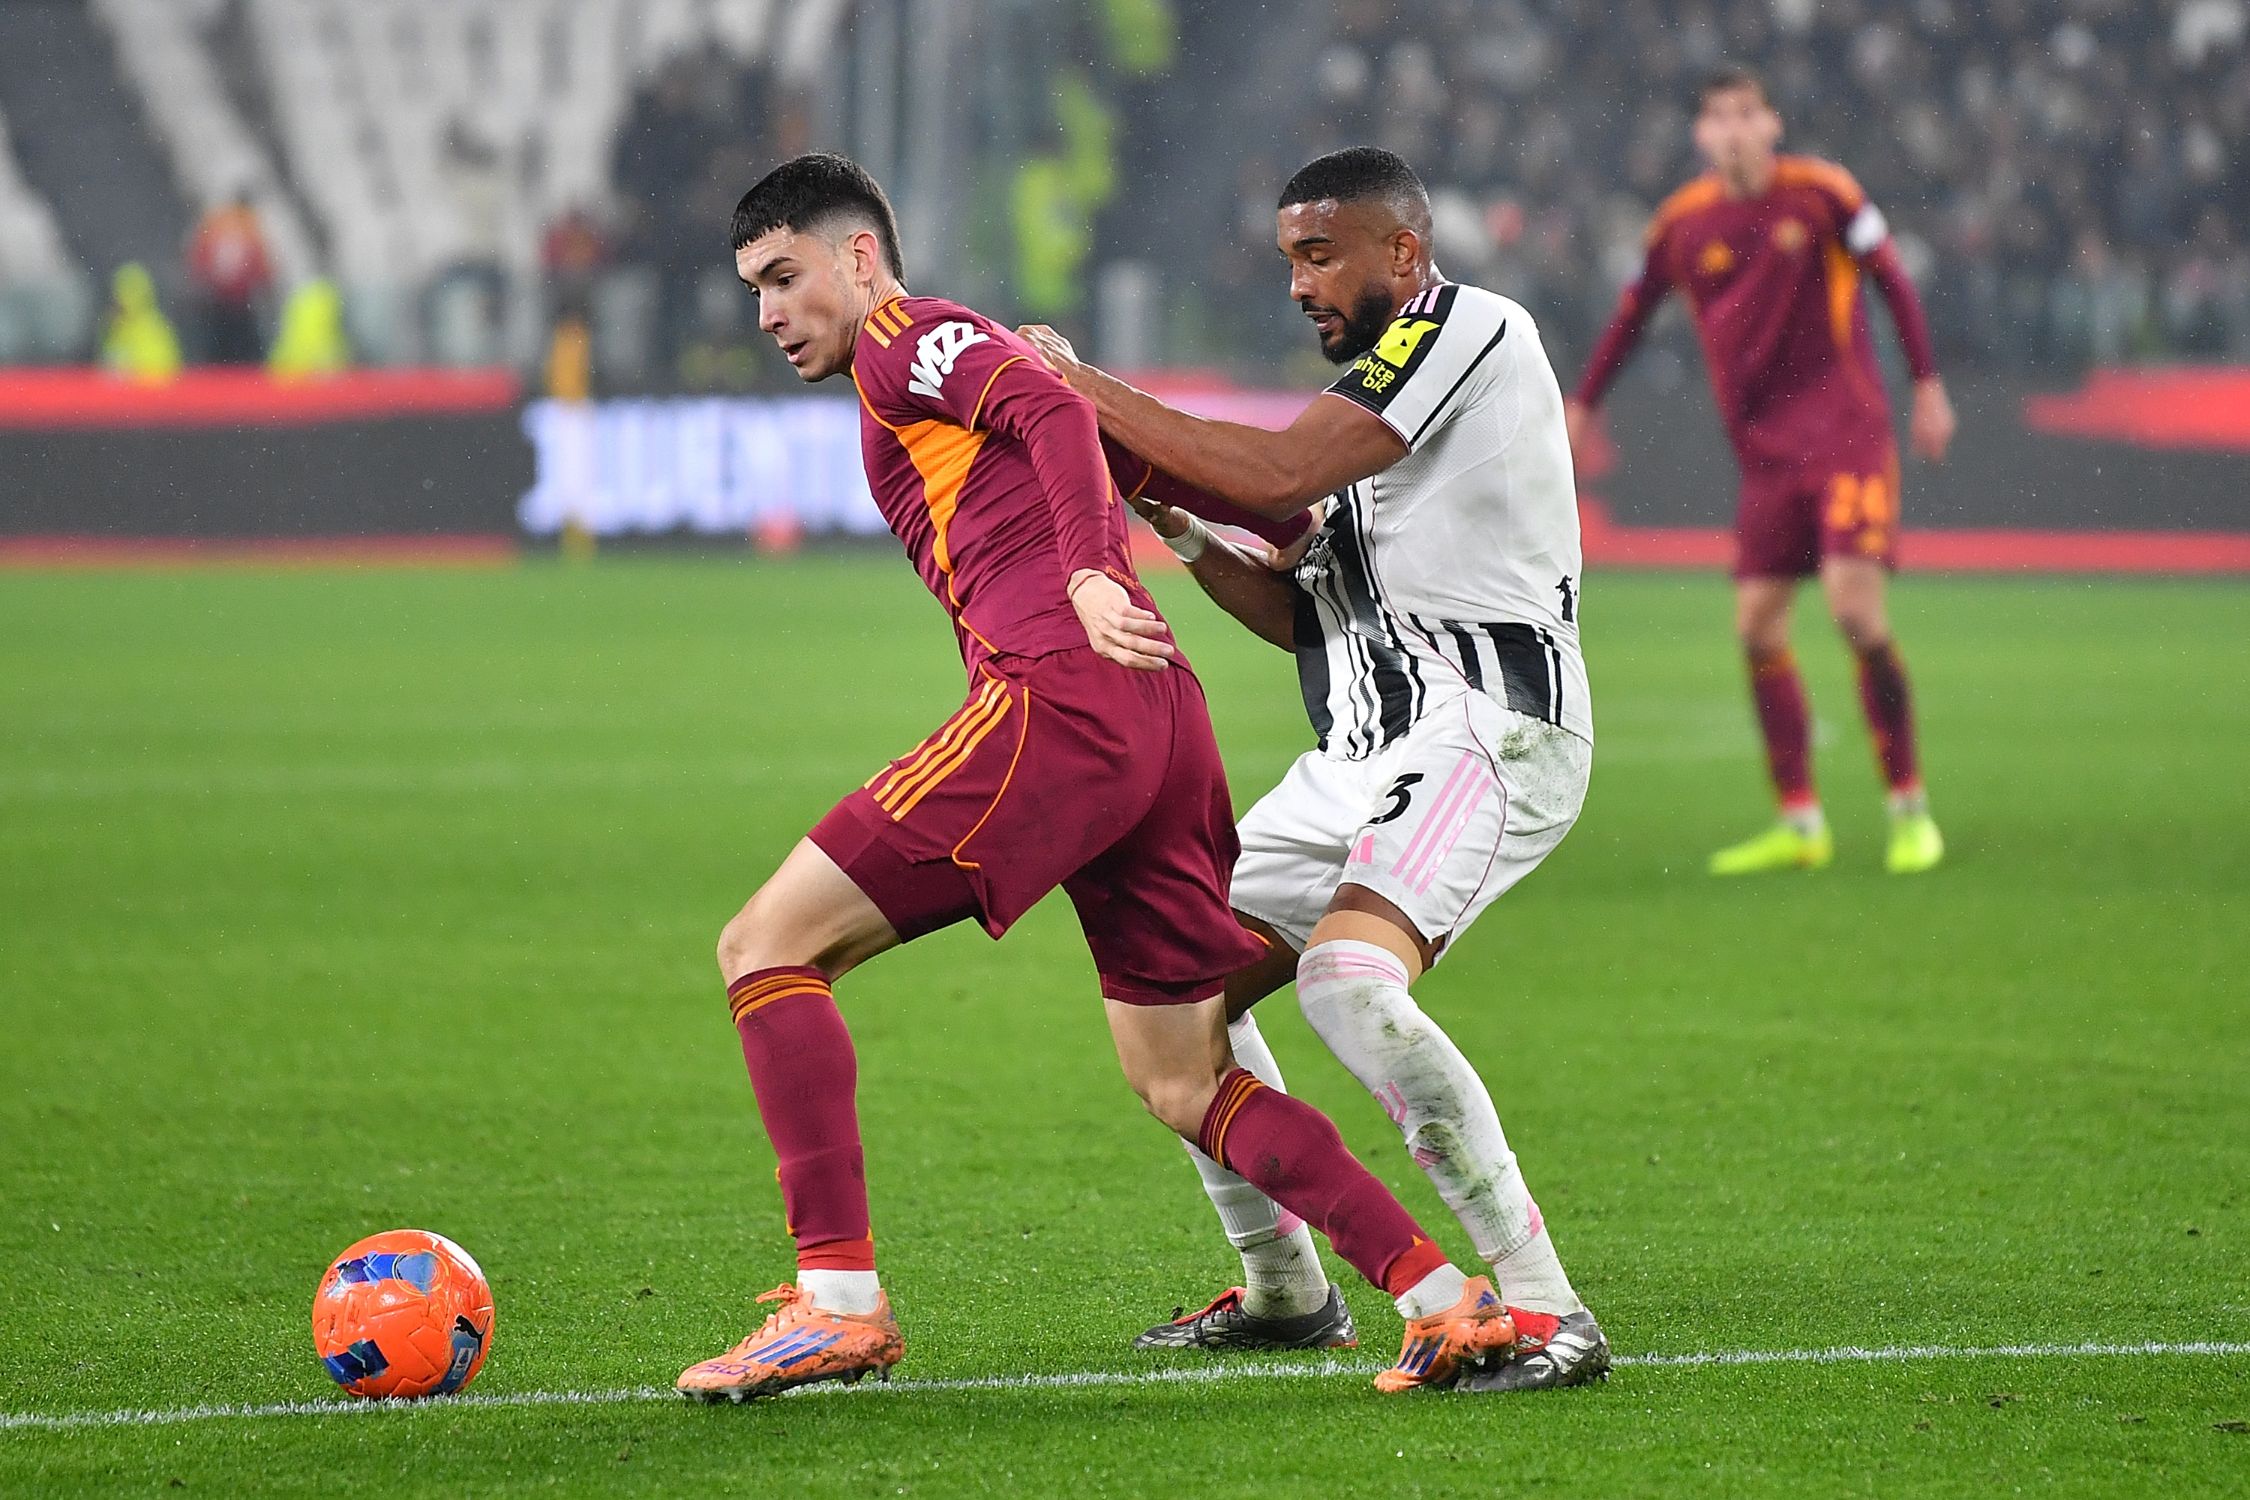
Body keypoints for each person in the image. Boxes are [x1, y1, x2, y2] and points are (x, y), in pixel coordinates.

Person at [675, 152, 1521, 1403]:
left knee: (766, 949)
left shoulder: (905, 339)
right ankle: (1441, 1298)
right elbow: (1094, 437)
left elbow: (1059, 415)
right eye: (754, 288)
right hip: (1154, 710)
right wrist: (1237, 532)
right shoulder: (924, 366)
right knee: (1182, 1073)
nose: (768, 312)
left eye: (784, 276)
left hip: (1057, 697)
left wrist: (1083, 568)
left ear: (859, 257)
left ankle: (836, 1302)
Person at [1019, 144, 1608, 1392]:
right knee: (1176, 992)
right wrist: (1182, 529)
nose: (1298, 284)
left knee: (1346, 980)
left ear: (1404, 250)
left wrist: (1077, 384)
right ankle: (1286, 1290)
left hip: (1489, 730)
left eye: (1321, 255)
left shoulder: (1471, 331)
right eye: (1290, 257)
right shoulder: (1374, 426)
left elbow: (1277, 473)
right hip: (1359, 757)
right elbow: (1302, 616)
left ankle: (1549, 1309)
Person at [1566, 64, 1956, 877]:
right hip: (1765, 457)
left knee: (1855, 614)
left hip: (1847, 436)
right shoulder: (1682, 224)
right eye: (1719, 116)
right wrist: (1584, 403)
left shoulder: (1824, 194)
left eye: (1748, 113)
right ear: (1701, 134)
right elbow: (1631, 315)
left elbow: (1891, 280)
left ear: (1773, 124)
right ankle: (1801, 822)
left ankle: (1908, 807)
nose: (1735, 130)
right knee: (1757, 629)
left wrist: (1927, 385)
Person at [184, 194, 270, 365]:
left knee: (216, 352)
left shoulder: (216, 224)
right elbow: (262, 267)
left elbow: (198, 260)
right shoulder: (248, 226)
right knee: (247, 354)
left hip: (215, 302)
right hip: (241, 303)